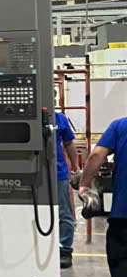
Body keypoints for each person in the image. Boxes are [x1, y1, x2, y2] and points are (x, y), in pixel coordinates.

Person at [78, 121, 127, 277]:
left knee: (122, 264)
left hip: (123, 216)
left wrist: (84, 184)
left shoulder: (120, 126)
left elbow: (96, 155)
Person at [55, 110, 78, 268]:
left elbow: (69, 143)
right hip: (33, 173)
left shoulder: (60, 119)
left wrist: (76, 169)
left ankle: (65, 249)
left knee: (64, 212)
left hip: (58, 173)